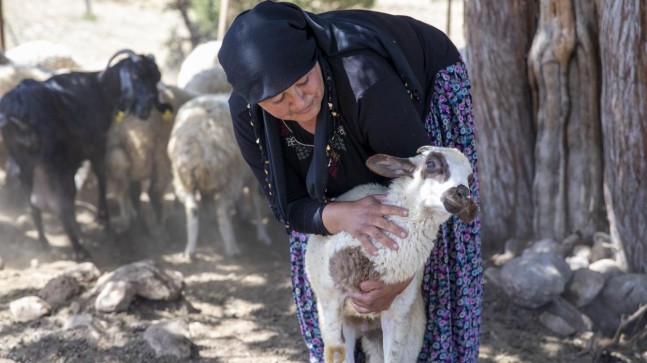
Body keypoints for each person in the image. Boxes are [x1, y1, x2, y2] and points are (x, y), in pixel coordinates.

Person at [217, 1, 482, 362]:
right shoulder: (248, 116)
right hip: (354, 121)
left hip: (419, 96)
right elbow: (289, 205)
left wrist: (398, 282)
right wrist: (341, 216)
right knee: (316, 248)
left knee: (442, 221)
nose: (299, 101)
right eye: (278, 99)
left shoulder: (364, 80)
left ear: (315, 58)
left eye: (303, 81)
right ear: (256, 102)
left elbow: (427, 193)